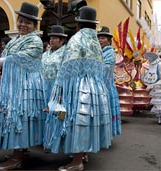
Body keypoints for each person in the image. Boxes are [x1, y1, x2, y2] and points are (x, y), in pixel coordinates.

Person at [44, 6, 112, 171]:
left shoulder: (77, 39)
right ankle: (83, 154)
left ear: (78, 25)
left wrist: (58, 92)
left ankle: (77, 161)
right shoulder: (95, 42)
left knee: (76, 120)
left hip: (78, 86)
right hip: (95, 88)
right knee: (86, 120)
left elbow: (68, 67)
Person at [0, 2, 44, 170]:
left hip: (24, 86)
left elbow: (21, 58)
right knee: (14, 118)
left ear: (34, 25)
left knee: (18, 117)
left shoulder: (35, 41)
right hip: (12, 83)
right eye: (21, 21)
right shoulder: (16, 39)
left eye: (27, 22)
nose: (22, 25)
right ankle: (20, 150)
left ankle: (17, 156)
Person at [97, 26, 121, 136]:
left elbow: (105, 69)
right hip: (97, 85)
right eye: (99, 38)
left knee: (105, 111)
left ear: (109, 40)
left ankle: (105, 136)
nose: (100, 40)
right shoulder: (97, 51)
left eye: (103, 38)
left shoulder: (110, 53)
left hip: (105, 86)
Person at [42, 25, 67, 104]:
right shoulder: (45, 54)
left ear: (61, 40)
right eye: (51, 38)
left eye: (55, 38)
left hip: (58, 87)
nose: (51, 41)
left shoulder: (66, 54)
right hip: (43, 86)